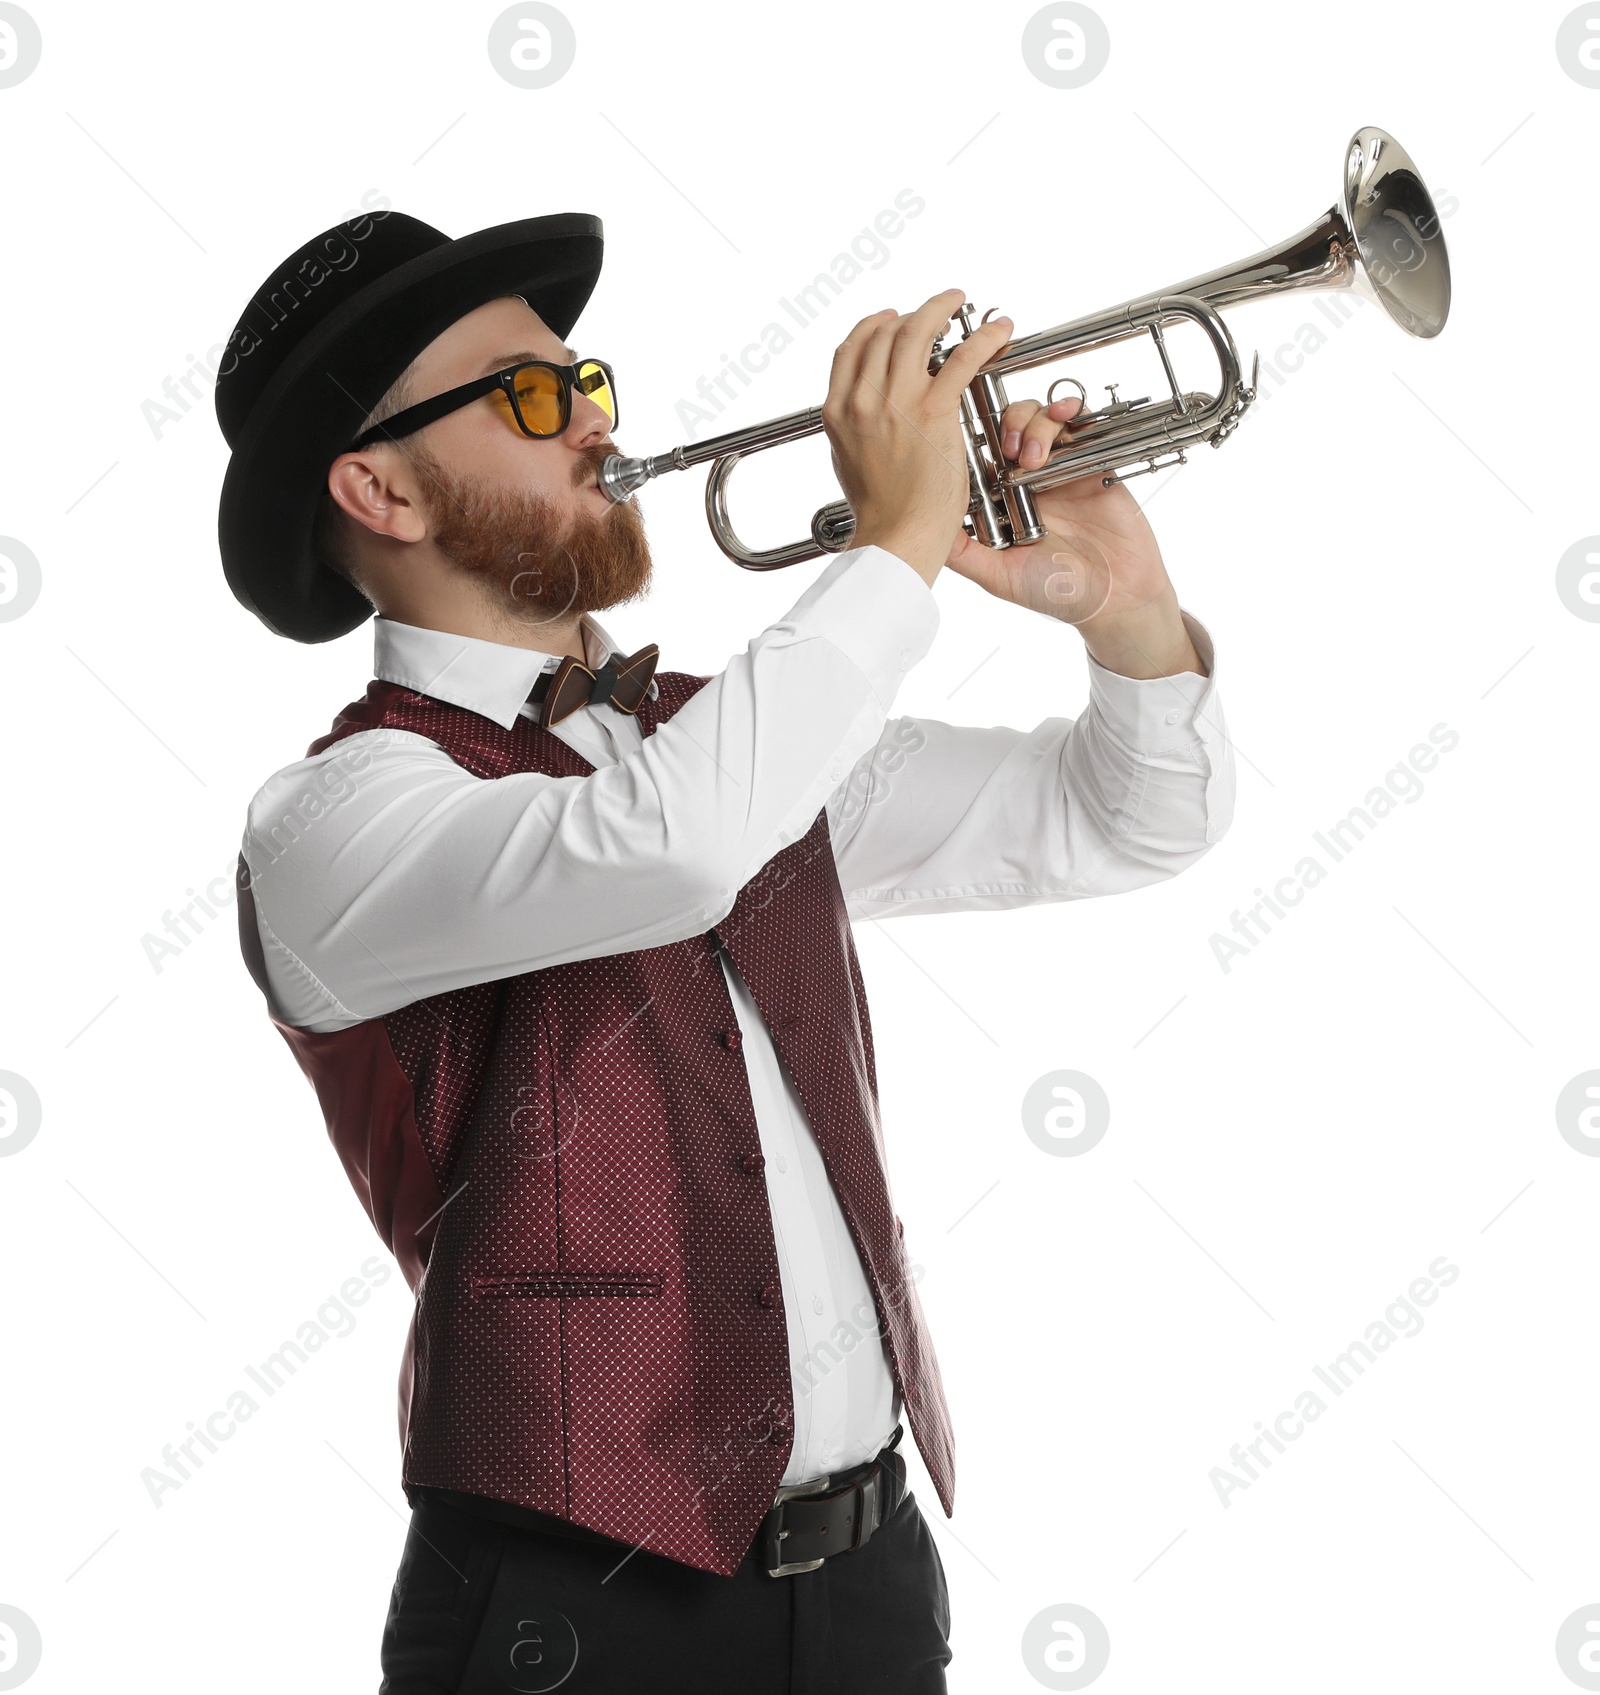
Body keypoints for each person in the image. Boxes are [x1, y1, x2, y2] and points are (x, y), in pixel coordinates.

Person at [216, 207, 1234, 1694]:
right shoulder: (335, 818)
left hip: (876, 1581)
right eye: (530, 395)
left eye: (589, 385)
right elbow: (672, 851)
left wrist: (1126, 612)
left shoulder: (728, 742)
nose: (592, 425)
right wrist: (893, 542)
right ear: (380, 486)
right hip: (570, 1608)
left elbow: (1129, 819)